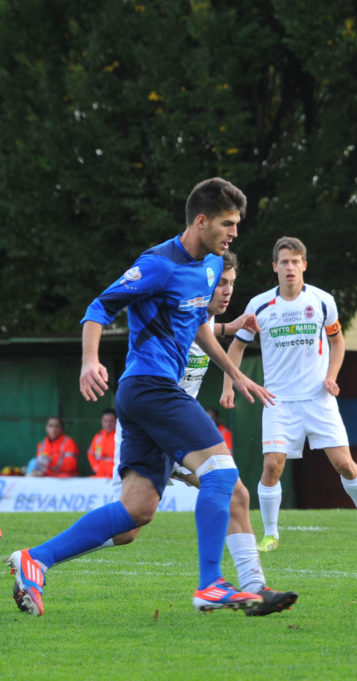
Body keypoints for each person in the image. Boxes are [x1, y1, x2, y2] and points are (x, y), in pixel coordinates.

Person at [8, 177, 275, 617]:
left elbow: (199, 326)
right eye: (228, 223)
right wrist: (90, 361)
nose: (234, 233)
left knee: (137, 511)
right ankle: (211, 584)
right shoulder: (157, 263)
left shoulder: (210, 266)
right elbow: (99, 306)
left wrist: (235, 372)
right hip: (150, 387)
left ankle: (36, 559)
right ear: (201, 220)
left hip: (150, 396)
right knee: (222, 473)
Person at [105, 249, 298, 616]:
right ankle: (41, 557)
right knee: (129, 527)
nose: (226, 291)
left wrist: (232, 333)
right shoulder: (177, 316)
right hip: (151, 429)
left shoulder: (202, 321)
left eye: (230, 284)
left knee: (236, 492)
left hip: (181, 435)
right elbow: (194, 326)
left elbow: (207, 328)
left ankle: (255, 589)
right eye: (220, 283)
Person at [221, 236, 357, 552]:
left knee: (345, 465)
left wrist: (331, 377)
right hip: (278, 402)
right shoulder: (259, 305)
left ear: (304, 266)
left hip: (318, 399)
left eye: (295, 261)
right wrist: (229, 385)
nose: (290, 267)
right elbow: (238, 345)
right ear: (275, 267)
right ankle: (271, 534)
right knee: (272, 466)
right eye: (284, 261)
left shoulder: (322, 301)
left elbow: (337, 342)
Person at [86, 409, 117, 477]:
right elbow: (91, 454)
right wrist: (96, 467)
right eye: (105, 421)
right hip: (100, 475)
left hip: (116, 475)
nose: (108, 424)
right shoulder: (98, 437)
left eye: (111, 421)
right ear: (101, 422)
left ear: (116, 422)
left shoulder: (119, 436)